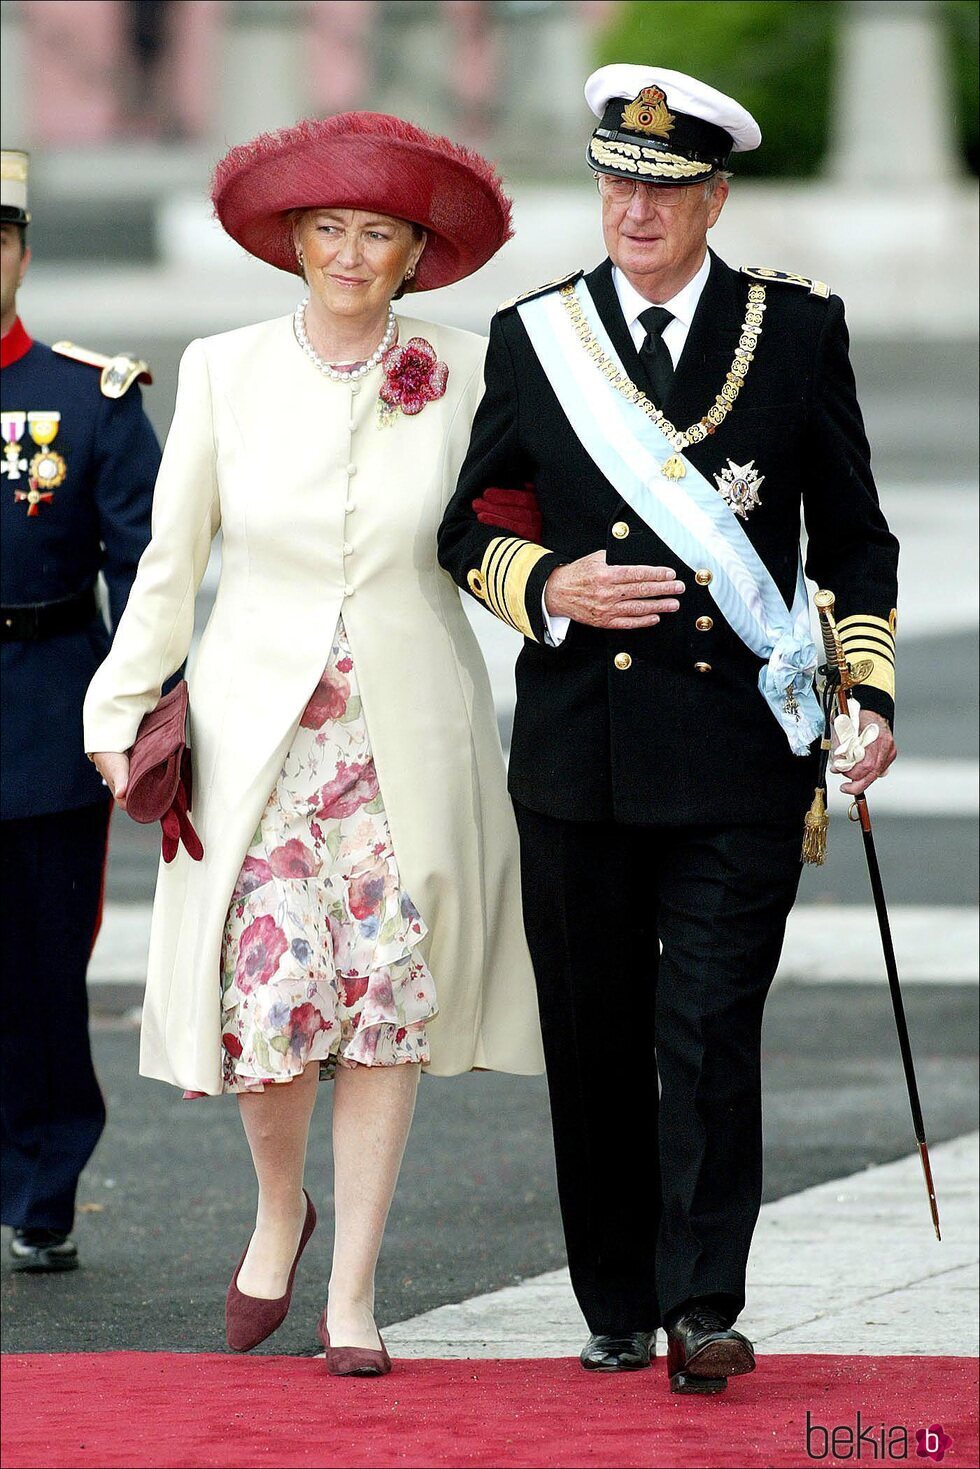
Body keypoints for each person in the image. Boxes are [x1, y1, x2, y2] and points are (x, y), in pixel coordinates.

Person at [438, 65, 899, 1391]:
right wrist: (548, 585)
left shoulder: (795, 330)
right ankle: (615, 1296)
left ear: (716, 195)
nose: (635, 210)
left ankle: (702, 1302)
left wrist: (861, 689)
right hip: (580, 749)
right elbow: (465, 525)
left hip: (738, 753)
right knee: (596, 1038)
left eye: (664, 186)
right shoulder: (539, 337)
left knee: (708, 1028)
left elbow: (855, 538)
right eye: (616, 181)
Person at [83, 112, 542, 1374]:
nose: (351, 252)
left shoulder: (464, 366)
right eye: (330, 229)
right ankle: (281, 1204)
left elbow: (501, 532)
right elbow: (172, 567)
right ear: (293, 242)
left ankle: (353, 1292)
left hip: (407, 731)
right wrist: (120, 706)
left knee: (385, 1002)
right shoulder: (225, 366)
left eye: (378, 232)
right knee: (272, 1001)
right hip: (259, 738)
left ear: (414, 253)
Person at [1, 148, 161, 1272]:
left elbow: (149, 569)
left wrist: (146, 708)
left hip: (46, 710)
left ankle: (41, 1181)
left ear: (18, 251)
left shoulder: (83, 399)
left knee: (40, 965)